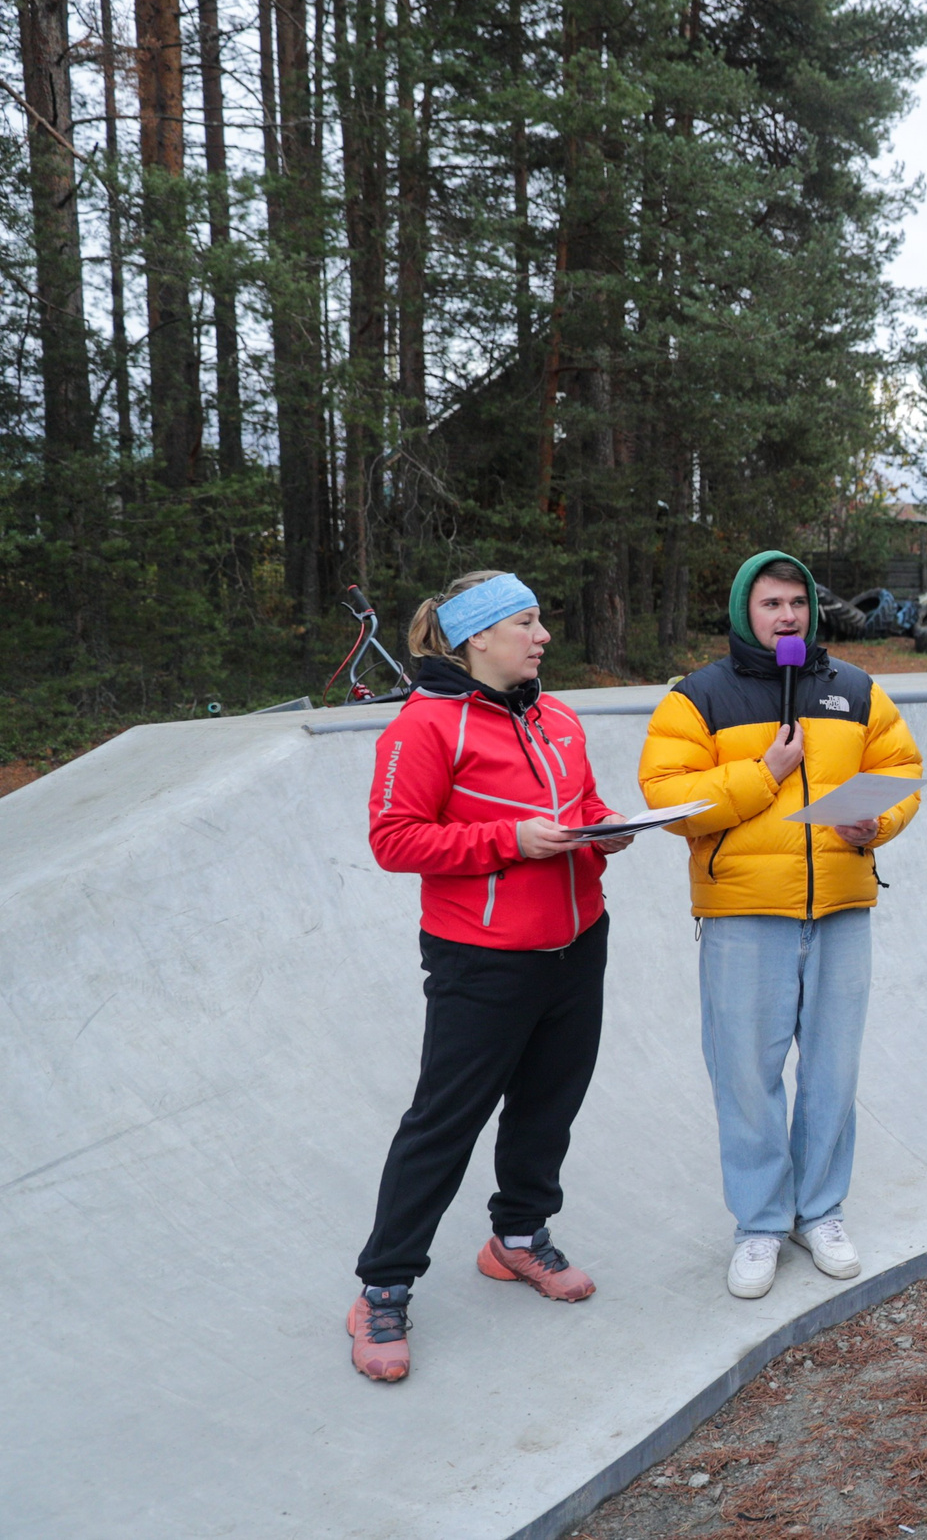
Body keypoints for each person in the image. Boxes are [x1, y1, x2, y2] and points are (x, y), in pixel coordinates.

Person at [350, 571, 636, 1384]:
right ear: (477, 637)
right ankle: (383, 1284)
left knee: (551, 1102)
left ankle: (516, 1238)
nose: (543, 635)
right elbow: (395, 839)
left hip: (578, 941)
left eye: (540, 619)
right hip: (482, 957)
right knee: (445, 1120)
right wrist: (511, 841)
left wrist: (603, 829)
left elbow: (580, 803)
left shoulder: (558, 716)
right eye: (526, 621)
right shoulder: (425, 724)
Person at [639, 550, 922, 1300]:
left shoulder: (855, 690)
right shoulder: (695, 697)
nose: (788, 615)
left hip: (839, 907)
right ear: (743, 612)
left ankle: (819, 1212)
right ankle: (760, 1223)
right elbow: (667, 796)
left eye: (798, 602)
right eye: (771, 604)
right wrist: (763, 771)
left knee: (832, 1072)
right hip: (743, 914)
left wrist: (877, 822)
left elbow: (899, 770)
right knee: (747, 1076)